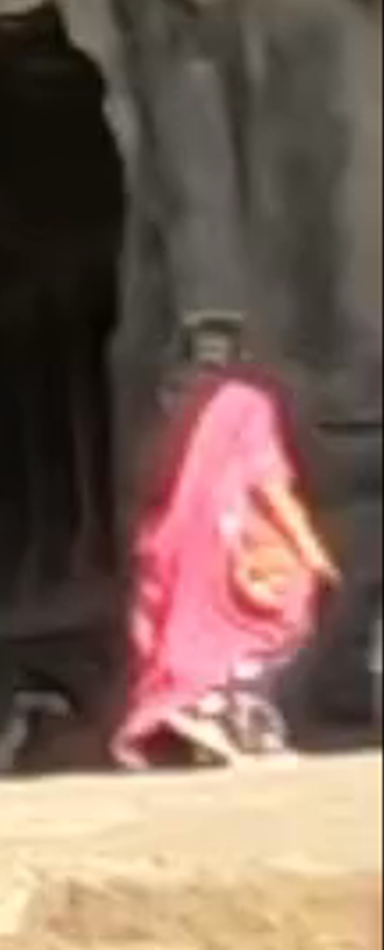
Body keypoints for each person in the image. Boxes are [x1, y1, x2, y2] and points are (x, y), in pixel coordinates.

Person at [111, 314, 337, 769]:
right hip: (231, 537)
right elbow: (268, 480)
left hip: (172, 538)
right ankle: (225, 710)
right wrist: (311, 547)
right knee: (285, 613)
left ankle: (207, 711)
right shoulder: (245, 400)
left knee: (192, 628)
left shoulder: (176, 405)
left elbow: (148, 475)